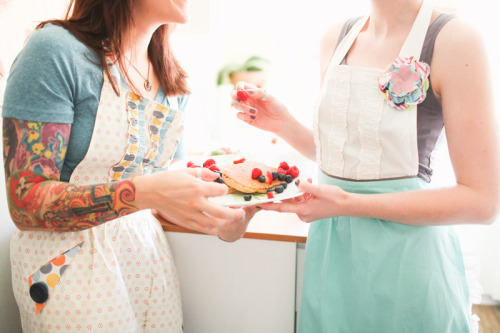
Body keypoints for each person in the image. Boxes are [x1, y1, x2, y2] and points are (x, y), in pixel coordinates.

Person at [232, 0, 499, 331]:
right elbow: (354, 153)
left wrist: (348, 204)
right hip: (333, 259)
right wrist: (284, 125)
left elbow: (482, 203)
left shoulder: (455, 39)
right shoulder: (336, 36)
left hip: (408, 264)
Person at [2, 0, 257, 331]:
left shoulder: (172, 80)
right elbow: (25, 203)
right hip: (67, 268)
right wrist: (145, 192)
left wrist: (225, 221)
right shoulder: (55, 51)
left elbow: (165, 199)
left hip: (146, 263)